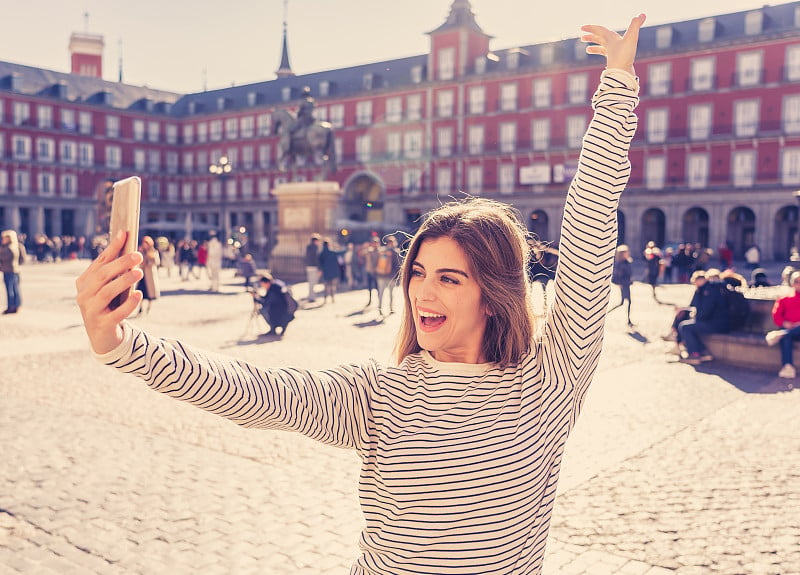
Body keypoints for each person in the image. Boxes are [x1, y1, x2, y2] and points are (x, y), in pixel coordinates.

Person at [75, 14, 644, 574]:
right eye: (418, 272)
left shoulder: (546, 384)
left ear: (493, 296)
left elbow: (589, 229)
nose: (423, 292)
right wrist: (123, 344)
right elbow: (255, 391)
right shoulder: (383, 395)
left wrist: (617, 87)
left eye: (449, 278)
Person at [676, 268, 729, 364]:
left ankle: (695, 354)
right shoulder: (704, 289)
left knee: (685, 327)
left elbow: (705, 312)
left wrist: (694, 316)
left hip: (717, 324)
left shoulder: (708, 291)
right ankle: (703, 352)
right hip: (717, 322)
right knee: (685, 323)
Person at [766, 270, 800, 378]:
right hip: (790, 329)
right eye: (797, 281)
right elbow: (776, 315)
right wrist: (785, 323)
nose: (799, 284)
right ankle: (788, 367)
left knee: (785, 336)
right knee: (786, 339)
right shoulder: (784, 298)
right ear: (792, 283)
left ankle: (782, 334)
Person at [0, 229, 26, 314]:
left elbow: (3, 258)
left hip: (8, 270)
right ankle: (17, 306)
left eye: (4, 238)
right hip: (16, 270)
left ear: (8, 238)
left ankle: (11, 306)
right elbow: (22, 259)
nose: (2, 239)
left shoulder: (7, 248)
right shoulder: (18, 246)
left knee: (10, 289)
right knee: (16, 289)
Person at [375, 235, 402, 316]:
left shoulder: (382, 251)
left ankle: (380, 308)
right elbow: (399, 266)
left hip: (381, 275)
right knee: (391, 293)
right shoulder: (396, 252)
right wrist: (399, 277)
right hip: (391, 276)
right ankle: (390, 308)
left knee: (381, 293)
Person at [609, 244, 634, 327]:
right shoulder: (619, 264)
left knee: (626, 302)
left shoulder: (627, 262)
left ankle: (629, 319)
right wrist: (619, 284)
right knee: (624, 302)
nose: (628, 253)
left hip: (627, 283)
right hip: (624, 284)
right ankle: (608, 312)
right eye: (626, 252)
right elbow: (615, 276)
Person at [135, 235, 160, 316]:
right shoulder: (141, 251)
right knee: (140, 292)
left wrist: (149, 259)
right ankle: (140, 308)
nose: (144, 245)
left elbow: (157, 262)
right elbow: (139, 262)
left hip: (150, 276)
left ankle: (149, 307)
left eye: (146, 243)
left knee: (149, 294)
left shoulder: (153, 251)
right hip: (143, 275)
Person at [318, 238, 342, 304]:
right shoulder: (333, 252)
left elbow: (320, 263)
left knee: (326, 286)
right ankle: (332, 298)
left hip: (325, 272)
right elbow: (341, 253)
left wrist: (320, 270)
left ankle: (325, 299)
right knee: (332, 286)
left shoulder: (321, 253)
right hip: (333, 272)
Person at [304, 233, 321, 302]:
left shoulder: (308, 247)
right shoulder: (316, 247)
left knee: (310, 282)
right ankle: (312, 297)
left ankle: (311, 296)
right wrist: (319, 268)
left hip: (308, 266)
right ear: (316, 241)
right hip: (314, 267)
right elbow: (316, 258)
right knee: (313, 282)